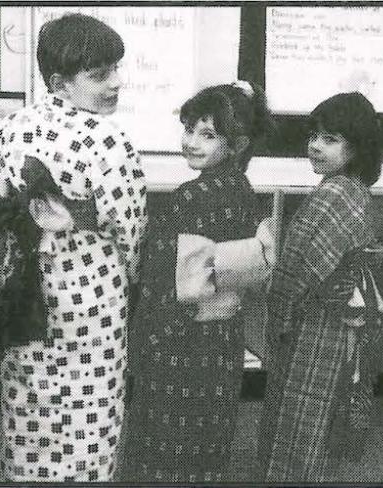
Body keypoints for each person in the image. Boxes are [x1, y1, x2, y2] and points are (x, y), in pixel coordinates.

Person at [0, 13, 147, 482]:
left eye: (117, 69)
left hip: (28, 292)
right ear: (60, 82)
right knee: (90, 415)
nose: (116, 83)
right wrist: (132, 282)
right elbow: (130, 230)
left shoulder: (10, 130)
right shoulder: (111, 140)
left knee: (31, 410)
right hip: (94, 300)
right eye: (100, 74)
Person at [120, 82, 275, 483]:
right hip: (222, 336)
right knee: (207, 432)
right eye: (188, 130)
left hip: (178, 336)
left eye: (206, 134)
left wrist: (140, 339)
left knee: (164, 435)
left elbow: (168, 282)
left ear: (238, 143)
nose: (190, 142)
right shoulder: (245, 191)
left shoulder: (190, 196)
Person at [257, 92, 383, 481]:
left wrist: (276, 316)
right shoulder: (352, 189)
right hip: (339, 328)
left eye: (330, 139)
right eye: (314, 134)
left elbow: (296, 272)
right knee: (316, 424)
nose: (314, 145)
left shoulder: (333, 195)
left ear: (357, 148)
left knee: (298, 424)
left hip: (316, 326)